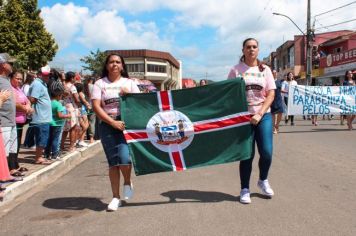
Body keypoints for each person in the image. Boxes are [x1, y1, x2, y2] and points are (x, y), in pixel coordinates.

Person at [227, 38, 276, 204]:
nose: (251, 49)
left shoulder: (265, 69)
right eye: (248, 47)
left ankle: (263, 180)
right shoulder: (235, 70)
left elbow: (271, 94)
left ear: (258, 50)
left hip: (264, 115)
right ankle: (245, 189)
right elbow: (228, 94)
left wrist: (260, 113)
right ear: (243, 50)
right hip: (244, 117)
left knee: (267, 152)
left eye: (254, 47)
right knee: (247, 155)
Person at [92, 53, 140, 211]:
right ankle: (115, 197)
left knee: (125, 159)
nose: (114, 64)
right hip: (107, 124)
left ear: (122, 66)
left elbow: (141, 103)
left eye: (118, 62)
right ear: (106, 66)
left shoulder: (130, 83)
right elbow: (96, 107)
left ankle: (127, 181)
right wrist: (112, 122)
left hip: (126, 124)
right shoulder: (99, 84)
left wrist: (130, 95)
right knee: (113, 162)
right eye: (111, 62)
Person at [28, 65, 53, 165]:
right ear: (39, 75)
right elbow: (32, 99)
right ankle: (38, 157)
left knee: (43, 137)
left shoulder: (42, 84)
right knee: (41, 138)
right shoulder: (38, 84)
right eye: (45, 75)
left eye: (48, 75)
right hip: (40, 117)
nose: (47, 77)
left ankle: (40, 156)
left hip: (44, 117)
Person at [0, 53, 20, 176]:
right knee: (4, 149)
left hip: (11, 120)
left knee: (12, 148)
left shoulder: (6, 80)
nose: (12, 65)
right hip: (3, 121)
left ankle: (9, 171)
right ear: (3, 65)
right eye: (9, 63)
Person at [10, 71, 33, 175]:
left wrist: (28, 106)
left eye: (20, 79)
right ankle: (11, 166)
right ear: (11, 78)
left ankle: (16, 164)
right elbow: (15, 103)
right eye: (17, 78)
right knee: (12, 144)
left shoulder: (19, 88)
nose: (19, 80)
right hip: (13, 120)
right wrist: (25, 109)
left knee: (18, 144)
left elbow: (27, 100)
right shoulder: (10, 88)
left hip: (21, 120)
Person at [61, 71, 81, 151]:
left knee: (65, 128)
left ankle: (61, 145)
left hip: (65, 107)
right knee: (73, 127)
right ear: (72, 78)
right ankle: (71, 146)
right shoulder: (72, 87)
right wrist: (79, 104)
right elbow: (76, 99)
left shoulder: (63, 86)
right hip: (72, 108)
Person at [270, 70, 284, 134]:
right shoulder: (269, 81)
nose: (274, 74)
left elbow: (281, 90)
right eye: (273, 73)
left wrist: (289, 91)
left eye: (275, 73)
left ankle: (277, 125)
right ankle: (274, 128)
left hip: (279, 98)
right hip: (271, 98)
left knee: (280, 112)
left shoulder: (279, 81)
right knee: (273, 113)